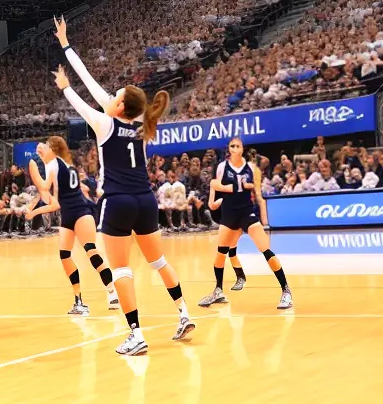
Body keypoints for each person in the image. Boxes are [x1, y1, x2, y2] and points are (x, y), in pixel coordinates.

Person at [54, 17, 195, 356]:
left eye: (114, 95)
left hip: (117, 202)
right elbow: (93, 83)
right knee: (158, 262)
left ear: (119, 106)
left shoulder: (104, 124)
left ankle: (136, 334)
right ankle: (184, 313)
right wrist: (66, 45)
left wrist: (64, 85)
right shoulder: (141, 127)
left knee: (120, 269)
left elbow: (82, 98)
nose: (110, 95)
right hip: (146, 200)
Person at [25, 136, 118, 315]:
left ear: (53, 149)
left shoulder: (53, 164)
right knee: (65, 254)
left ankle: (112, 291)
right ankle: (79, 301)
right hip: (68, 214)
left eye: (45, 146)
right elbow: (56, 203)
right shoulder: (65, 165)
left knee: (91, 251)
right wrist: (34, 211)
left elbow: (44, 187)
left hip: (81, 211)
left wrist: (33, 169)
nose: (42, 149)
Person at [199, 138, 293, 310]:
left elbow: (259, 196)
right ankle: (218, 290)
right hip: (228, 214)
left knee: (266, 250)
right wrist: (225, 190)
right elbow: (216, 186)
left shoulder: (251, 168)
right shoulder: (221, 167)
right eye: (232, 146)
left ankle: (286, 291)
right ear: (228, 149)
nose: (235, 149)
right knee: (221, 254)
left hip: (246, 213)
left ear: (242, 149)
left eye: (238, 146)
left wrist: (265, 221)